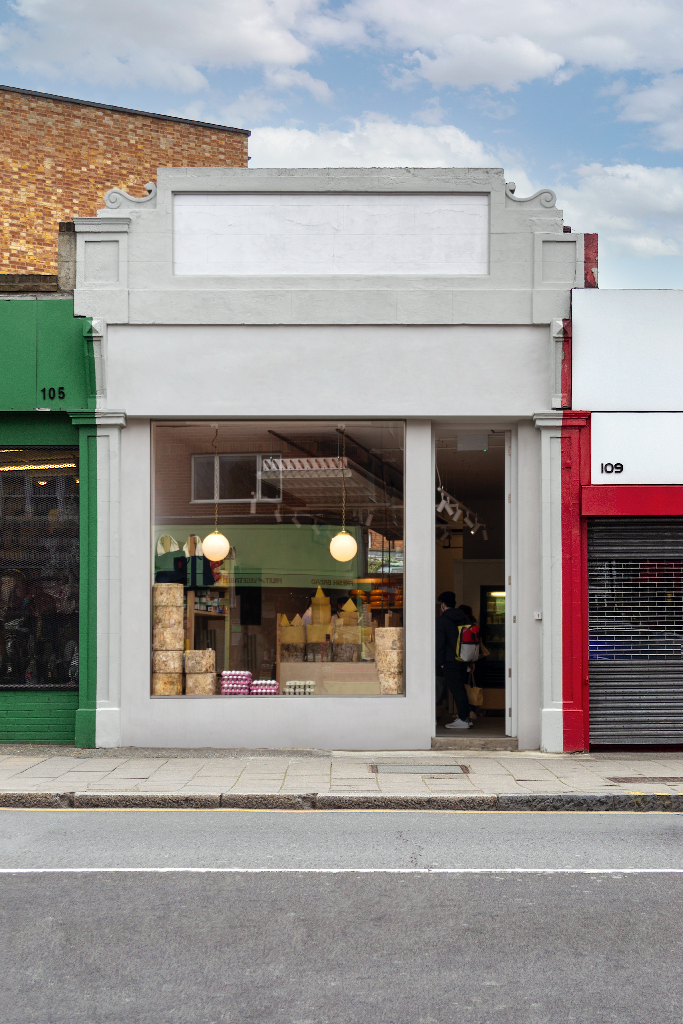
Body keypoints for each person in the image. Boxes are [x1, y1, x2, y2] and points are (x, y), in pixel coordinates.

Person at [435, 591, 471, 730]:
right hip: (464, 659)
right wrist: (471, 661)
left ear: (443, 604)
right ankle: (465, 717)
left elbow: (440, 644)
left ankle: (463, 718)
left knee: (456, 690)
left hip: (449, 660)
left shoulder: (442, 621)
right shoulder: (465, 618)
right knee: (461, 688)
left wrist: (441, 663)